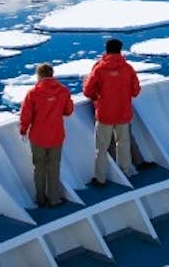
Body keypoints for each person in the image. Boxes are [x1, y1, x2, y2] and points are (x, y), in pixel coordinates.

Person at [83, 38, 141, 186]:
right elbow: (136, 91)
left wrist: (99, 96)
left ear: (106, 50)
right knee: (123, 144)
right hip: (123, 113)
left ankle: (100, 178)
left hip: (104, 115)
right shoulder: (127, 68)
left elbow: (88, 91)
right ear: (120, 50)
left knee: (101, 148)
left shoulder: (99, 69)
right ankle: (125, 172)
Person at [20, 63, 74, 207]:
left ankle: (40, 199)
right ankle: (54, 199)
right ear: (51, 74)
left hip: (38, 137)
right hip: (56, 135)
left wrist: (23, 130)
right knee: (54, 167)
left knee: (39, 168)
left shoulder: (33, 93)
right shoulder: (63, 91)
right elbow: (68, 111)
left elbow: (26, 115)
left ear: (39, 75)